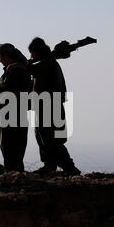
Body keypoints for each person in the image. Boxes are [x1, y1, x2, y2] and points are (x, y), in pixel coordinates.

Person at [26, 37, 81, 176]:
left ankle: (69, 167)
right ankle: (49, 165)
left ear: (37, 51)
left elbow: (32, 69)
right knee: (42, 137)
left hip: (50, 106)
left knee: (53, 139)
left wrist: (21, 63)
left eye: (32, 52)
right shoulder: (48, 62)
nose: (31, 55)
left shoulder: (48, 63)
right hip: (44, 106)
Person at [0, 43, 30, 172]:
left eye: (0, 57)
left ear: (6, 55)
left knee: (13, 148)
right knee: (8, 148)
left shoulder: (18, 71)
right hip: (7, 114)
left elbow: (24, 91)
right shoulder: (10, 71)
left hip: (15, 114)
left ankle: (14, 176)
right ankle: (12, 175)